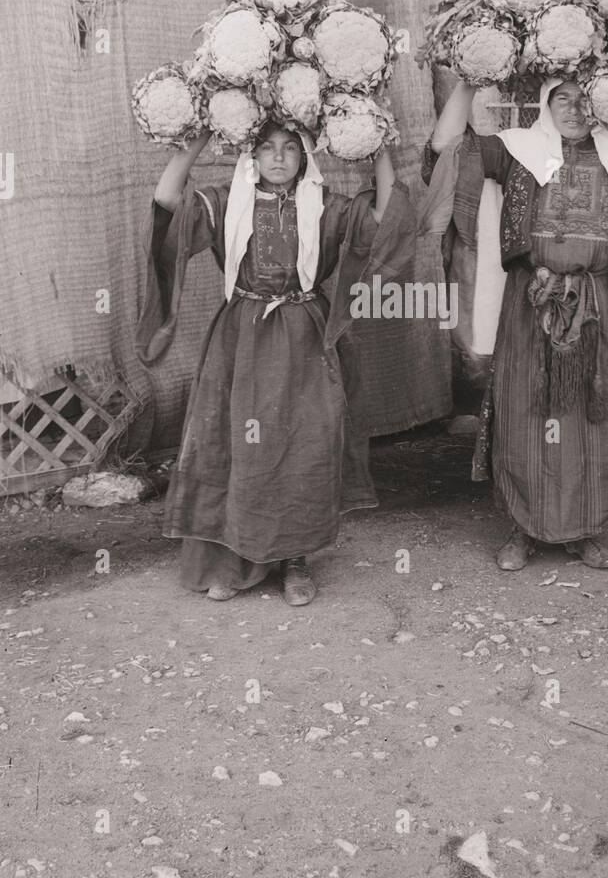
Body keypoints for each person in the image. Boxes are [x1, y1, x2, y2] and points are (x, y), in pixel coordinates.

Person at [422, 74, 608, 571]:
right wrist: (470, 80)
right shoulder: (516, 151)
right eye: (563, 99)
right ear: (544, 104)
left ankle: (585, 529)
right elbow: (445, 149)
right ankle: (524, 527)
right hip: (532, 302)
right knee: (526, 411)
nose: (575, 109)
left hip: (602, 308)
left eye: (585, 100)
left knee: (596, 416)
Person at [136, 120, 415, 604]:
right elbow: (166, 205)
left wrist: (379, 144)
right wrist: (197, 136)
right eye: (266, 148)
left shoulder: (327, 208)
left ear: (306, 155)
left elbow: (389, 218)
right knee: (236, 444)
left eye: (290, 148)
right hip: (240, 339)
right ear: (251, 156)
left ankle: (295, 561)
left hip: (306, 336)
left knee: (303, 445)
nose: (279, 158)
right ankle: (232, 558)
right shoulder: (224, 202)